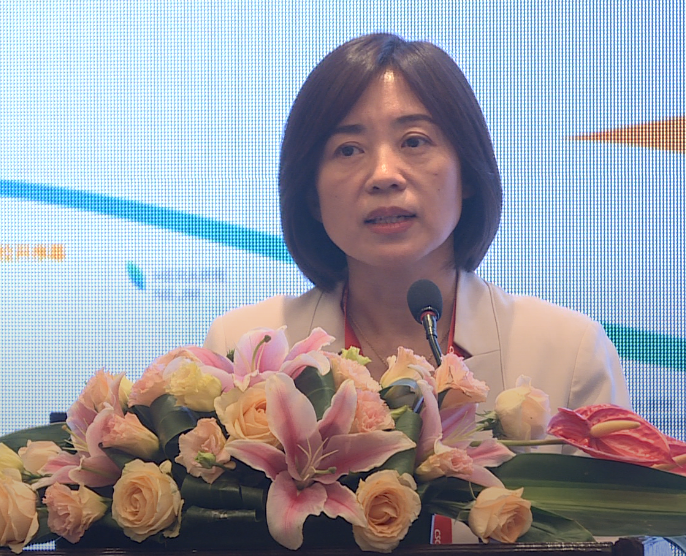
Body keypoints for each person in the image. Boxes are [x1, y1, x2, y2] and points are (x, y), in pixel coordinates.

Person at [204, 33, 630, 422]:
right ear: (312, 196)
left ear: (467, 174)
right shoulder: (246, 349)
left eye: (414, 141)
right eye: (348, 150)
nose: (384, 175)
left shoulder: (569, 354)